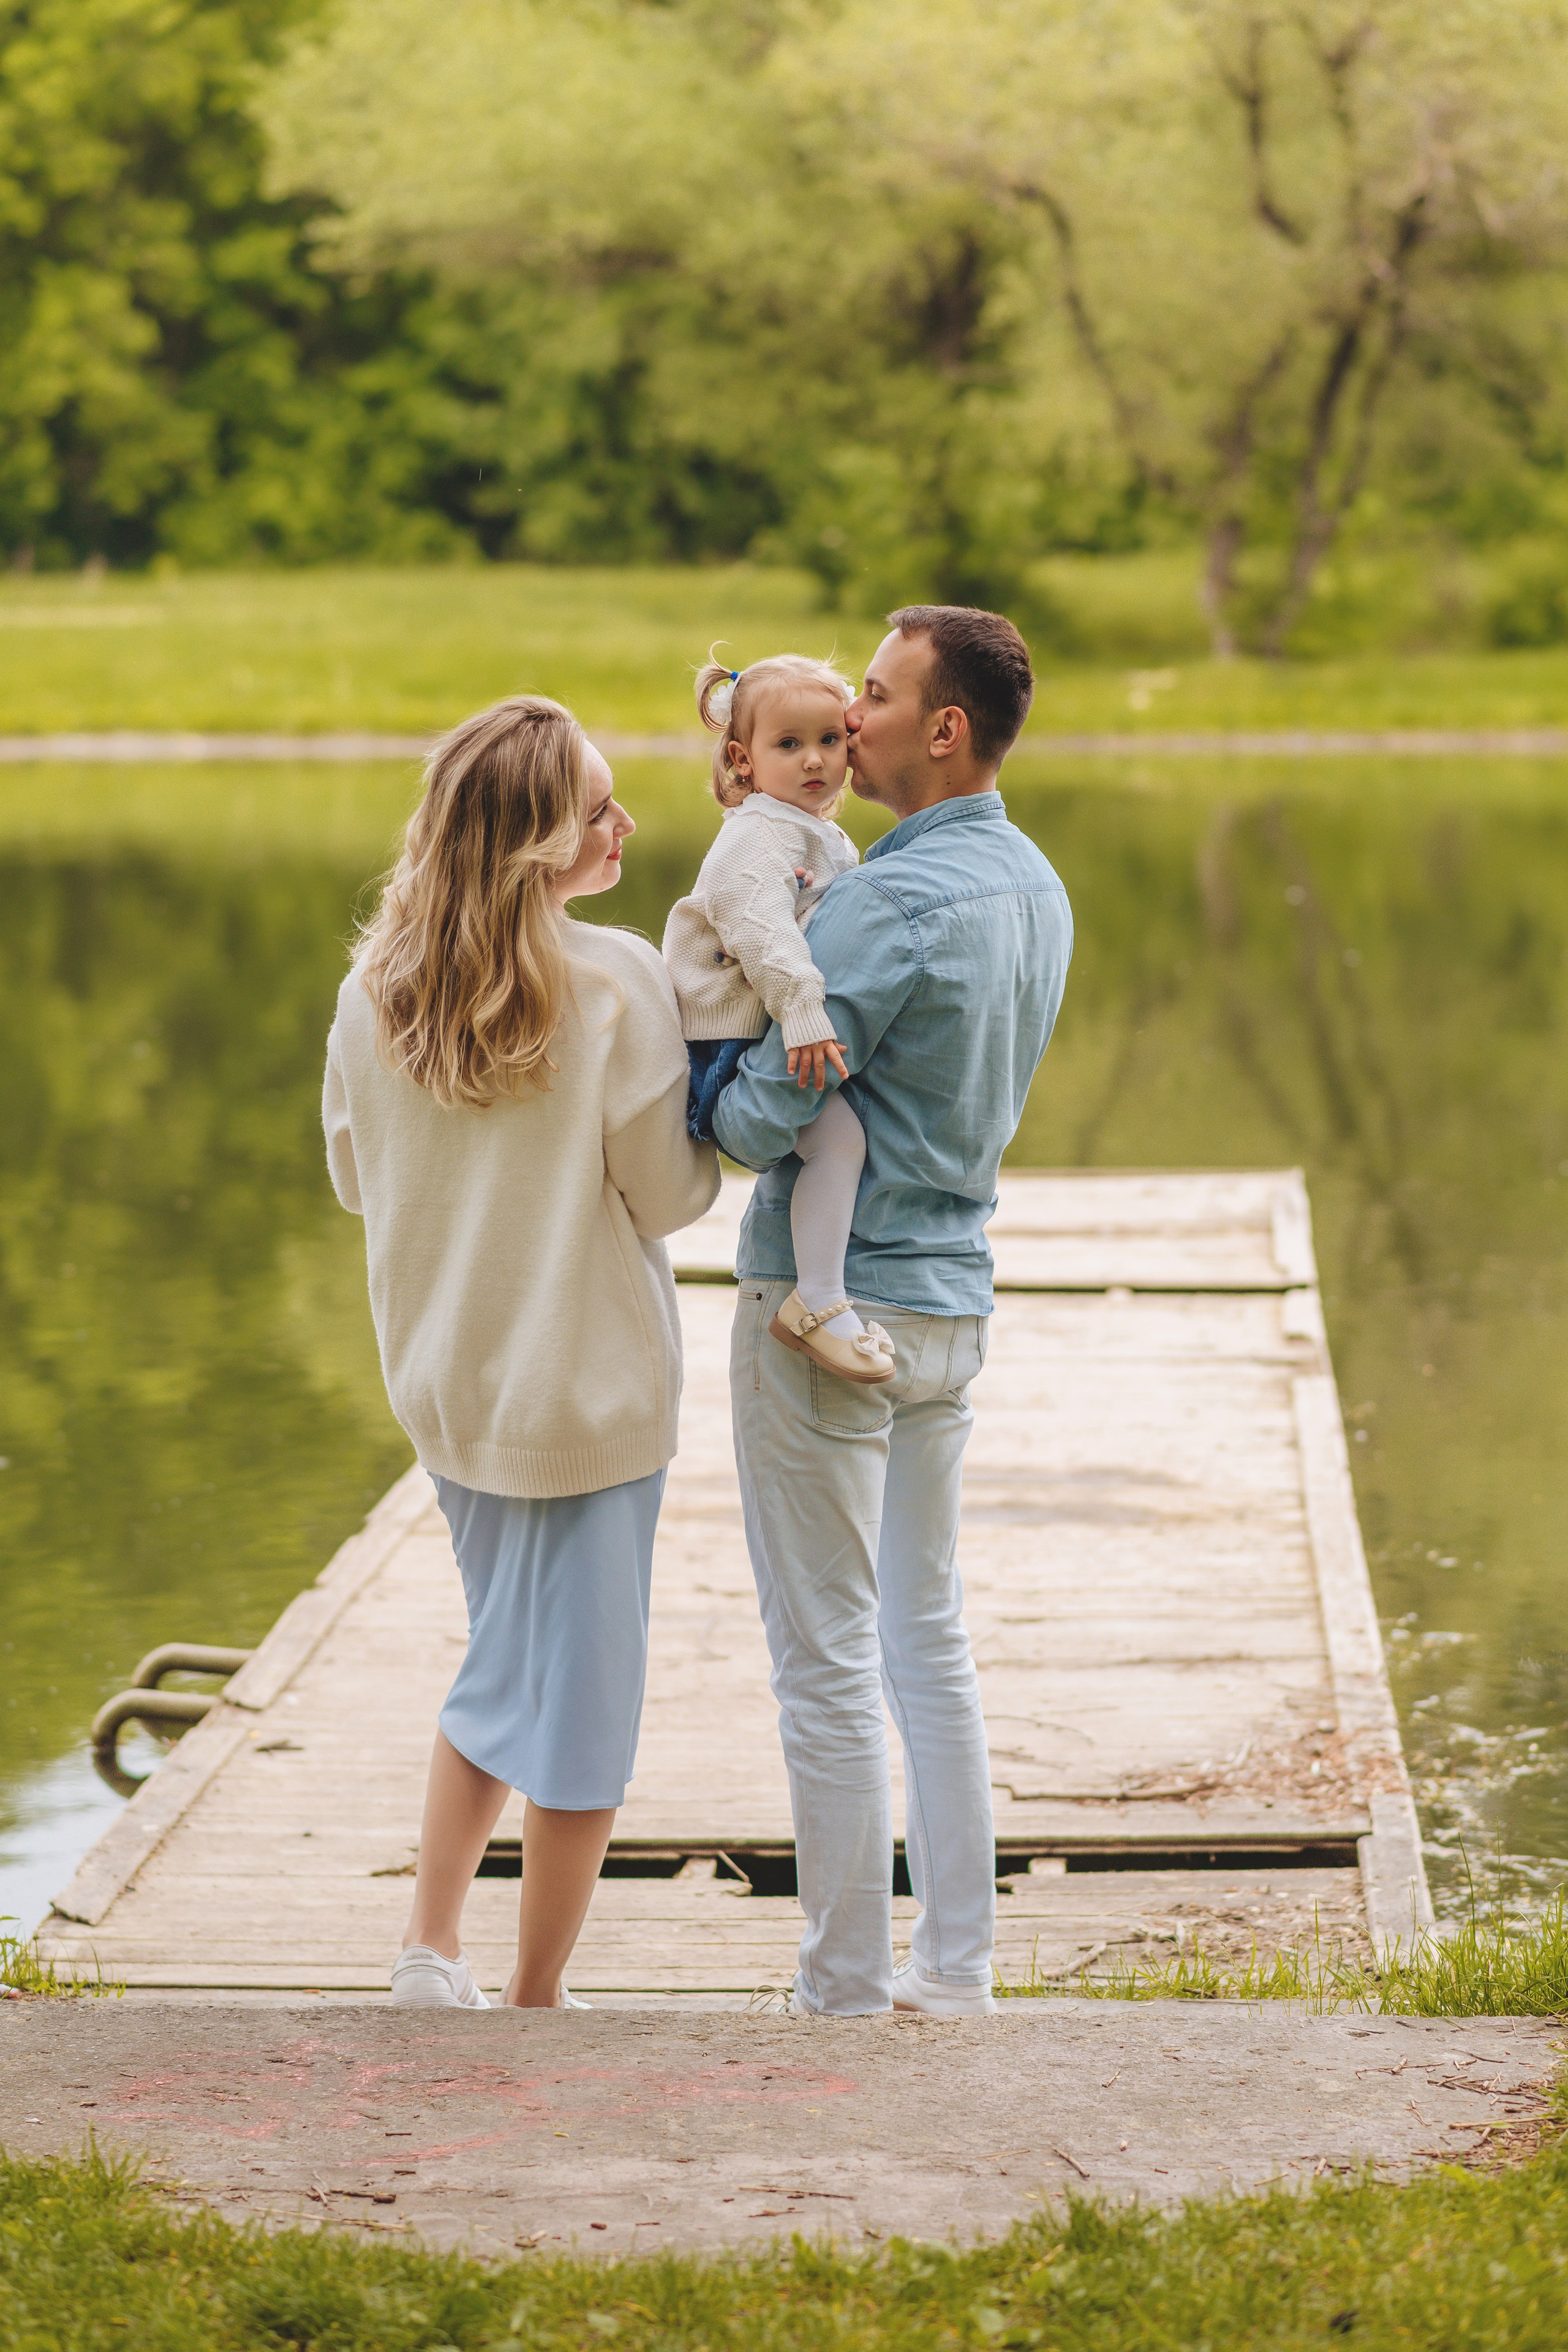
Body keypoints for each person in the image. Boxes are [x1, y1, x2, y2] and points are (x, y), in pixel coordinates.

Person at [322, 695, 719, 2009]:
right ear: (535, 844)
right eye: (597, 808)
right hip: (594, 1394)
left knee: (501, 1653)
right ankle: (535, 1999)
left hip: (452, 1386)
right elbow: (666, 1197)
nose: (623, 824)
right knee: (582, 1708)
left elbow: (350, 1178)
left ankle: (427, 1951)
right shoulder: (614, 981)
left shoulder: (372, 986)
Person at [712, 606, 1073, 2018]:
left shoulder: (879, 900)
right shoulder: (1034, 883)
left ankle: (845, 1987)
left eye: (871, 692)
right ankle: (959, 1968)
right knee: (926, 1637)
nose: (845, 718)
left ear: (944, 728)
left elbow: (759, 1120)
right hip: (950, 1301)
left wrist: (703, 1083)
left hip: (829, 1309)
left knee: (826, 1660)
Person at [663, 650, 893, 1385]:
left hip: (758, 1026)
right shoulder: (758, 833)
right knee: (839, 1142)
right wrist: (802, 1009)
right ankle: (818, 1301)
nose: (816, 761)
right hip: (729, 1037)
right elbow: (757, 923)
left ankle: (826, 1285)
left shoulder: (804, 827)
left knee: (840, 1138)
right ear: (743, 759)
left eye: (830, 740)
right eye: (788, 745)